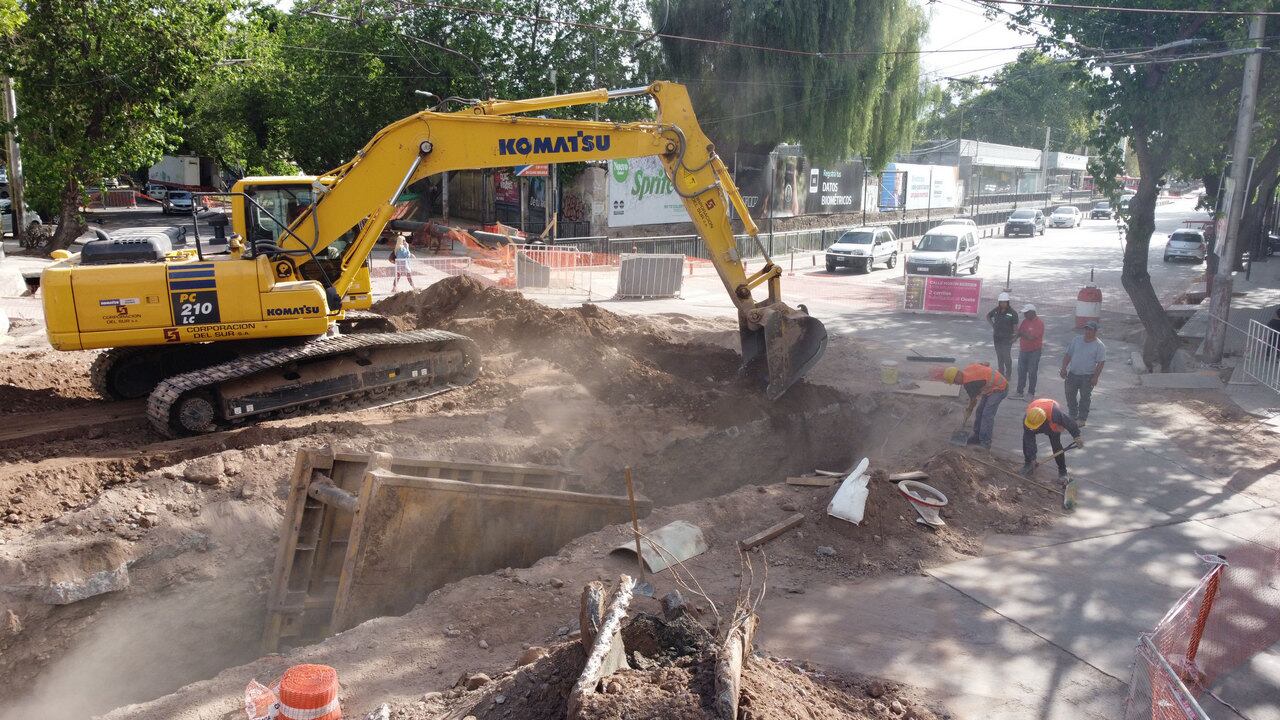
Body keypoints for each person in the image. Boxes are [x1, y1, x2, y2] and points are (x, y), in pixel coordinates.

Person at [944, 362, 1009, 449]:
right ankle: (977, 436)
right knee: (979, 411)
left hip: (1000, 388)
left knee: (987, 415)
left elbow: (973, 401)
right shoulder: (968, 368)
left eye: (955, 381)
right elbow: (986, 363)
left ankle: (985, 443)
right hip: (990, 387)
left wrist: (968, 411)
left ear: (957, 376)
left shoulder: (969, 383)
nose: (956, 384)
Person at [1020, 398, 1083, 481]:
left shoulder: (1055, 414)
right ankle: (1028, 463)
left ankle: (1062, 471)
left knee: (1056, 444)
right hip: (1036, 416)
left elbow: (1069, 423)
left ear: (1043, 422)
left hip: (1050, 416)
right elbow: (1029, 441)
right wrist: (1033, 458)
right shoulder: (1028, 419)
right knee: (1026, 439)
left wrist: (1077, 436)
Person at [1059, 320, 1106, 427]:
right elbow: (1068, 355)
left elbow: (1101, 363)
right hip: (1073, 373)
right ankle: (1072, 415)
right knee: (1069, 394)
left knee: (1085, 397)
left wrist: (1095, 377)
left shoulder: (1099, 346)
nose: (1087, 331)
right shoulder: (1076, 340)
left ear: (1095, 331)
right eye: (1086, 329)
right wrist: (1063, 368)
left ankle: (1082, 418)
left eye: (1090, 329)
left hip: (1087, 376)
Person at [1014, 303, 1044, 398]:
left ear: (1032, 312)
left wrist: (1021, 333)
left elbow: (1030, 337)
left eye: (1026, 313)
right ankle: (1019, 392)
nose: (1024, 315)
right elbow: (1020, 333)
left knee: (1032, 372)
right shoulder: (1025, 321)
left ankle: (1031, 393)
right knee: (1021, 371)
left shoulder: (1039, 323)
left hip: (1034, 351)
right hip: (1023, 350)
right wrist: (1013, 339)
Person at [986, 292, 1019, 377]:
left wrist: (1015, 337)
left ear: (1008, 302)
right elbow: (988, 316)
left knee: (1006, 357)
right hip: (997, 337)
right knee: (999, 356)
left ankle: (1008, 374)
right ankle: (1001, 372)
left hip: (1007, 339)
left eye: (1004, 302)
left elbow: (1015, 327)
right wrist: (993, 325)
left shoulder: (1013, 313)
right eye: (1001, 302)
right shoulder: (996, 310)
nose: (1002, 304)